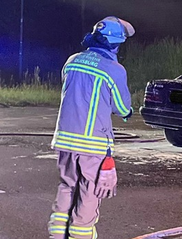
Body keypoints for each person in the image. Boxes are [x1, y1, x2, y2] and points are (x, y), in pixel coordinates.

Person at [48, 16, 134, 239]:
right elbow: (122, 107)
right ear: (115, 44)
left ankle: (57, 235)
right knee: (88, 195)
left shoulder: (72, 60)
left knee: (67, 186)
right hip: (93, 145)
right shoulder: (114, 69)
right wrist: (127, 113)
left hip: (65, 141)